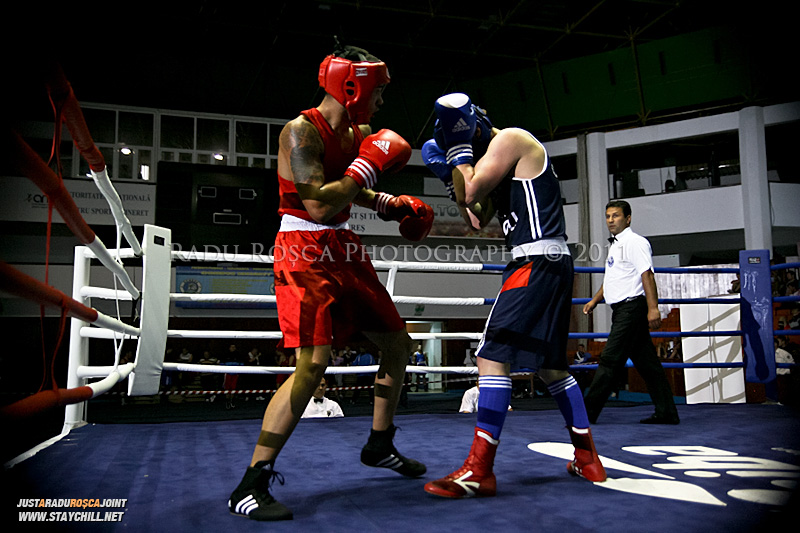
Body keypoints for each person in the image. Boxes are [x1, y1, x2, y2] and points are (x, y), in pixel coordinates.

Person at [228, 42, 432, 521]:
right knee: (313, 363)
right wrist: (369, 169)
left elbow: (347, 189)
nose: (381, 100)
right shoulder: (300, 132)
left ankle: (380, 444)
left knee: (398, 343)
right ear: (352, 86)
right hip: (303, 248)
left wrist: (387, 203)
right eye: (377, 90)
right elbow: (317, 202)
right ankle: (251, 481)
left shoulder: (356, 131)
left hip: (342, 245)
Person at [421, 92, 606, 499]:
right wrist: (451, 164)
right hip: (550, 262)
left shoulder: (512, 139)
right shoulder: (499, 163)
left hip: (535, 262)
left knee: (490, 357)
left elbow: (469, 193)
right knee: (552, 367)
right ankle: (588, 458)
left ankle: (479, 470)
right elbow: (476, 216)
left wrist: (458, 156)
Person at [582, 200, 680, 425]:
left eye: (615, 216)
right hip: (622, 309)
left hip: (632, 308)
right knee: (648, 365)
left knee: (609, 359)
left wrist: (653, 308)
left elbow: (647, 275)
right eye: (607, 216)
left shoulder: (635, 242)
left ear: (628, 218)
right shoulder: (616, 245)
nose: (610, 221)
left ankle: (586, 414)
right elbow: (613, 280)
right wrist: (595, 300)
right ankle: (667, 412)